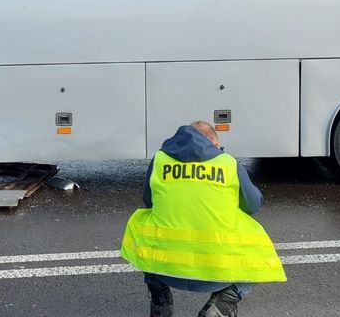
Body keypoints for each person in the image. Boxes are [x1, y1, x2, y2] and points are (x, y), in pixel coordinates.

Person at [121, 121, 286, 317]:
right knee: (261, 252)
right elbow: (253, 205)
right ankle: (220, 307)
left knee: (145, 224)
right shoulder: (228, 163)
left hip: (164, 268)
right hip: (217, 273)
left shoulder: (160, 160)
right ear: (214, 144)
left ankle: (160, 301)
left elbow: (149, 202)